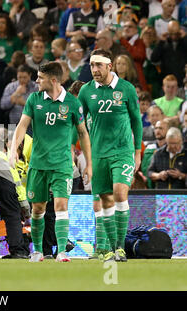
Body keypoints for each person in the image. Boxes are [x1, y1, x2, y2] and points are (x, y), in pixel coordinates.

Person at [9, 61, 92, 263]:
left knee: (61, 206)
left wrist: (89, 164)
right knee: (38, 209)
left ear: (53, 80)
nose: (36, 81)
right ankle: (37, 251)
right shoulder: (34, 100)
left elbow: (83, 133)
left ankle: (61, 251)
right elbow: (22, 126)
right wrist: (13, 150)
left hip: (62, 165)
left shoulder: (72, 103)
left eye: (40, 77)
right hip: (38, 164)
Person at [77, 49, 143, 262]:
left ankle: (121, 247)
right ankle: (113, 248)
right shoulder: (86, 92)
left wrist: (137, 152)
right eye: (92, 65)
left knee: (120, 194)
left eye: (99, 65)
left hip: (122, 152)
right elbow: (77, 123)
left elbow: (136, 120)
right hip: (97, 154)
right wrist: (71, 148)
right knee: (105, 199)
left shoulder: (126, 89)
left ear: (109, 66)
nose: (94, 69)